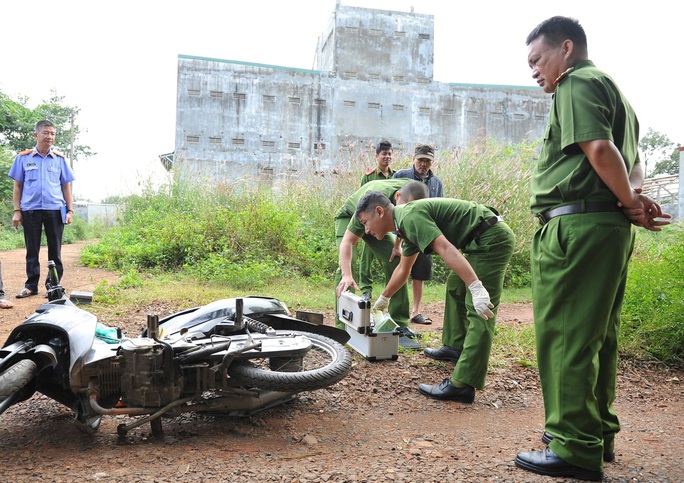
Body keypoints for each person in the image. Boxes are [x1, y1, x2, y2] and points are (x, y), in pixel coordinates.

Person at [514, 17, 671, 482]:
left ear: (567, 49)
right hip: (606, 228)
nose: (535, 71)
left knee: (565, 336)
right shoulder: (618, 95)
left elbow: (601, 151)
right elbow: (634, 164)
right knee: (597, 335)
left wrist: (629, 202)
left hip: (576, 227)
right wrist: (633, 202)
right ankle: (596, 434)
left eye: (537, 60)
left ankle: (573, 446)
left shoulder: (575, 82)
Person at [354, 192, 515, 403]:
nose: (366, 230)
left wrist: (476, 288)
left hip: (491, 238)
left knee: (480, 309)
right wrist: (385, 298)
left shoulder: (409, 217)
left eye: (366, 223)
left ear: (380, 211)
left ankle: (463, 384)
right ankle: (454, 347)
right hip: (477, 241)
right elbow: (404, 269)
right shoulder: (404, 226)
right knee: (455, 287)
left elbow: (445, 248)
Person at [334, 179, 429, 342]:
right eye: (407, 208)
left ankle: (399, 322)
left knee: (396, 261)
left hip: (379, 220)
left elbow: (402, 224)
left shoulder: (414, 194)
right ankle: (344, 327)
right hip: (353, 214)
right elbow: (347, 241)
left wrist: (397, 245)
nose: (409, 212)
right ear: (397, 197)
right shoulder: (372, 203)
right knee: (348, 267)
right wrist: (346, 274)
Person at [10, 120, 75, 298]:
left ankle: (53, 285)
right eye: (46, 133)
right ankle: (31, 285)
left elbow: (66, 187)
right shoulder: (23, 158)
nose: (49, 136)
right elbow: (18, 186)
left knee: (55, 250)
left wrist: (69, 211)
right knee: (32, 249)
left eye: (52, 133)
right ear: (36, 135)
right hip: (30, 210)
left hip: (55, 209)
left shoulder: (60, 160)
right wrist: (17, 210)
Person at [393, 144, 444, 326]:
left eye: (427, 161)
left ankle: (415, 311)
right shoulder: (400, 177)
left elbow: (439, 209)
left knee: (420, 273)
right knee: (399, 270)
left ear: (432, 162)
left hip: (423, 233)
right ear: (414, 159)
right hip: (401, 232)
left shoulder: (436, 183)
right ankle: (396, 310)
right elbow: (393, 206)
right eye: (421, 160)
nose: (423, 164)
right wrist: (396, 241)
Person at [358, 141, 396, 298]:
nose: (387, 157)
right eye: (384, 154)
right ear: (376, 156)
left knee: (392, 254)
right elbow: (362, 199)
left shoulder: (396, 176)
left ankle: (391, 288)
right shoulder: (369, 176)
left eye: (389, 154)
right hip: (373, 220)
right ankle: (366, 288)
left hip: (389, 222)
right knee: (367, 255)